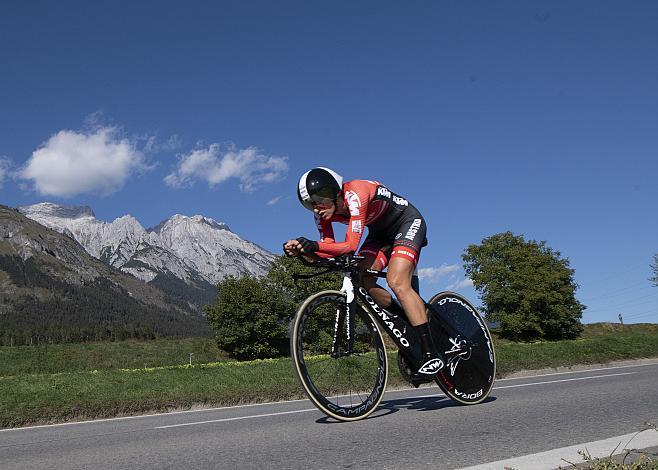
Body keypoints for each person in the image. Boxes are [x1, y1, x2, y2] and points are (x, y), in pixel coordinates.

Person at [283, 167, 444, 375]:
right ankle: (408, 320)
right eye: (309, 204)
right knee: (362, 277)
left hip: (407, 222)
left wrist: (314, 245)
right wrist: (303, 251)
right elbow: (329, 250)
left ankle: (431, 353)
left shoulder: (355, 194)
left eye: (318, 199)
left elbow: (349, 246)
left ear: (334, 191)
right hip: (380, 234)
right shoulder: (322, 215)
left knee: (396, 281)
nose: (316, 208)